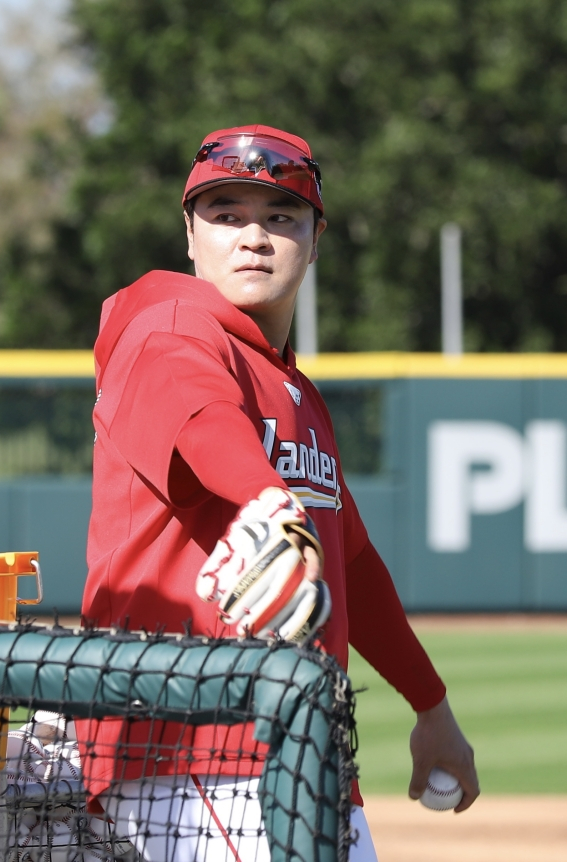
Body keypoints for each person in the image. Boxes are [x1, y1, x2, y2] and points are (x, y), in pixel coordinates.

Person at [80, 124, 479, 861]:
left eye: (279, 217)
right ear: (190, 234)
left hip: (301, 756)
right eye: (225, 214)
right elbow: (202, 423)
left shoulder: (294, 389)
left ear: (315, 238)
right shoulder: (170, 325)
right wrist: (268, 502)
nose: (252, 236)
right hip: (192, 756)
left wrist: (431, 706)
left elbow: (351, 562)